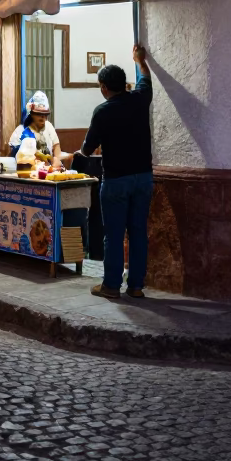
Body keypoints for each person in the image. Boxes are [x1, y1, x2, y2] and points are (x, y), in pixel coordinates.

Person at [81, 44, 153, 300]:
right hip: (143, 177)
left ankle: (111, 285)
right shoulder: (140, 99)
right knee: (137, 233)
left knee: (113, 233)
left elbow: (87, 149)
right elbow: (145, 79)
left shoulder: (102, 111)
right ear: (124, 83)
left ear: (104, 87)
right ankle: (136, 286)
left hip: (115, 181)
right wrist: (140, 60)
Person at [8, 92, 62, 171]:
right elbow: (15, 155)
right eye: (39, 114)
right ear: (31, 114)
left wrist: (57, 159)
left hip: (49, 171)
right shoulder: (20, 131)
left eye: (45, 114)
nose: (43, 117)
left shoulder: (49, 127)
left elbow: (56, 146)